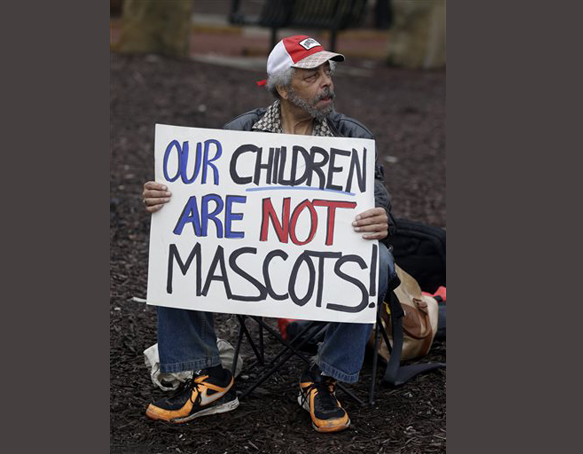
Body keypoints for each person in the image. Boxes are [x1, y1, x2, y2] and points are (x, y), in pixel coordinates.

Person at [141, 35, 397, 433]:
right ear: (282, 87)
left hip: (323, 268)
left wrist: (381, 218)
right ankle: (208, 375)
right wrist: (165, 199)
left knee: (378, 262)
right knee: (176, 242)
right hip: (254, 267)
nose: (327, 82)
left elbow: (382, 208)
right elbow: (200, 202)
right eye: (312, 75)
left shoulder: (353, 138)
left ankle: (322, 378)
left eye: (328, 72)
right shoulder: (241, 133)